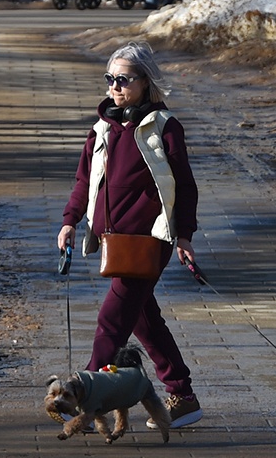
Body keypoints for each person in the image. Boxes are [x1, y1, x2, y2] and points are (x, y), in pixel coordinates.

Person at [57, 41, 203, 428]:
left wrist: (184, 235)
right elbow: (84, 178)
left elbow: (185, 185)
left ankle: (84, 396)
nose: (115, 87)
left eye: (123, 79)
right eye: (110, 79)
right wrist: (70, 220)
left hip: (149, 240)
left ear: (144, 81)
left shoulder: (164, 126)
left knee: (112, 320)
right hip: (113, 239)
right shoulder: (102, 127)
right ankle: (182, 396)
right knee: (142, 318)